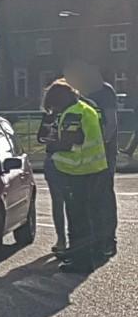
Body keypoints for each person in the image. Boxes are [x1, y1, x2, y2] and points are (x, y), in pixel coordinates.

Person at [42, 80, 110, 273]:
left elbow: (70, 141)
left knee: (77, 218)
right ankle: (92, 253)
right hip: (95, 168)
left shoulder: (73, 114)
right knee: (90, 215)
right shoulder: (84, 108)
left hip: (79, 171)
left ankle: (80, 260)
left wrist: (52, 146)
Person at [67, 61, 118, 258]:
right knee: (82, 201)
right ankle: (86, 244)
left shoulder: (104, 92)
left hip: (102, 155)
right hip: (79, 158)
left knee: (103, 197)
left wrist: (100, 144)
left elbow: (111, 123)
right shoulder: (75, 92)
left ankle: (107, 240)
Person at [37, 101, 69, 254]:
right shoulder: (49, 117)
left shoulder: (72, 115)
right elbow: (40, 137)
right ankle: (61, 239)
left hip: (70, 162)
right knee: (58, 201)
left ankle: (71, 239)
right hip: (53, 161)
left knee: (70, 203)